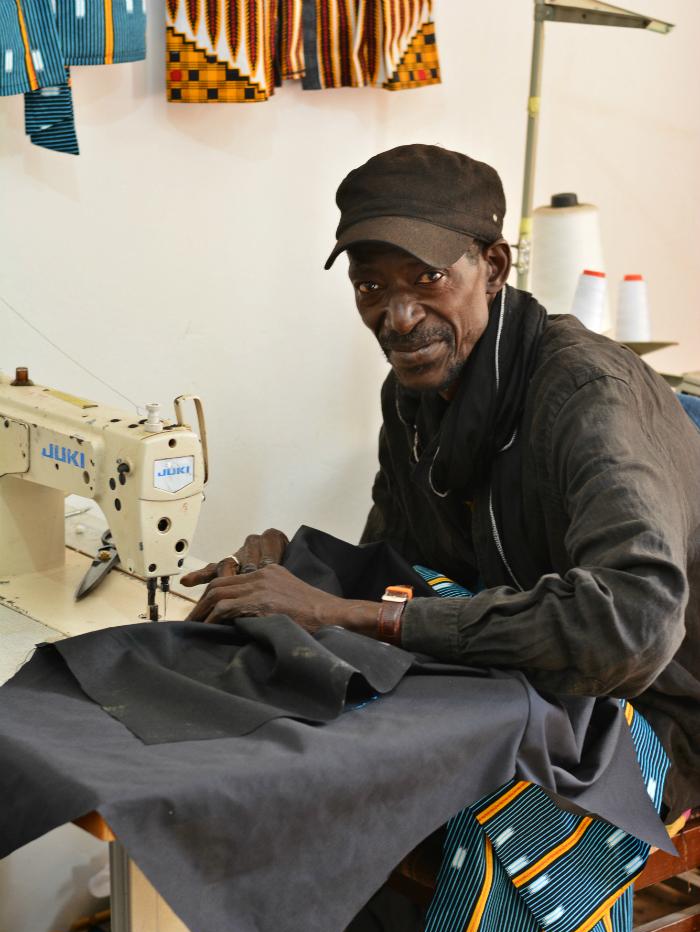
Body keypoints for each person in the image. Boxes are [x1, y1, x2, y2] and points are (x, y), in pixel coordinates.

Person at [184, 142, 700, 822]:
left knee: (419, 803)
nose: (398, 317)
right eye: (371, 288)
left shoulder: (585, 397)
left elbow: (632, 624)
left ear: (493, 268)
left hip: (661, 715)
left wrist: (341, 610)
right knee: (306, 756)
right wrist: (299, 567)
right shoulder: (412, 401)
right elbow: (400, 572)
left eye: (427, 277)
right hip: (524, 687)